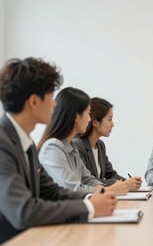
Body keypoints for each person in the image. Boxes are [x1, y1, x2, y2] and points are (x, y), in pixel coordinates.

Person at [0, 58, 117, 243]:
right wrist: (89, 207)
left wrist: (95, 196)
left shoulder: (25, 141)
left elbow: (52, 192)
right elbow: (24, 211)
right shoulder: (2, 144)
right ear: (34, 101)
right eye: (50, 96)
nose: (55, 105)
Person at [37, 87, 129, 195]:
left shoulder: (71, 146)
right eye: (88, 113)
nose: (90, 119)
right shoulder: (52, 148)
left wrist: (103, 189)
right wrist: (108, 190)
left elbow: (87, 179)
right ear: (76, 116)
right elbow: (71, 188)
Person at [73, 97, 142, 190]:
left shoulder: (100, 145)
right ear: (95, 122)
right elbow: (87, 181)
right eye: (109, 119)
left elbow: (111, 174)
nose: (113, 124)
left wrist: (130, 182)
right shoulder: (78, 145)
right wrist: (124, 184)